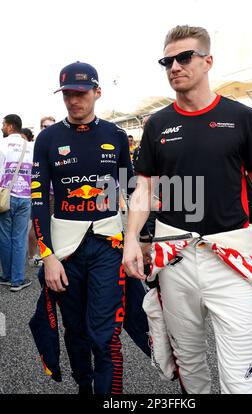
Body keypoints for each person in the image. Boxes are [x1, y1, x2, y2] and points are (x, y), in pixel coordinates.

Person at [123, 25, 252, 394]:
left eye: (184, 57)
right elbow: (144, 189)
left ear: (207, 61)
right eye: (167, 61)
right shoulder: (157, 124)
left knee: (244, 378)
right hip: (176, 260)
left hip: (233, 258)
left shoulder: (240, 116)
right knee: (190, 368)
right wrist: (131, 241)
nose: (174, 67)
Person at [30, 61, 148, 395]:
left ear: (97, 92)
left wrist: (144, 237)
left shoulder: (115, 135)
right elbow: (39, 200)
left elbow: (130, 187)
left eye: (80, 93)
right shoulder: (47, 139)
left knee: (104, 331)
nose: (73, 100)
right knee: (75, 330)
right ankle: (85, 385)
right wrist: (47, 255)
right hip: (64, 250)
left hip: (108, 245)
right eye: (67, 93)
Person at [0, 114, 33, 291]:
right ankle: (17, 279)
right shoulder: (30, 146)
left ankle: (6, 276)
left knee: (5, 236)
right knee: (19, 238)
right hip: (25, 196)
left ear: (11, 126)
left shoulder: (2, 144)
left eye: (3, 124)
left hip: (6, 196)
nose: (2, 127)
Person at [28, 116, 56, 267]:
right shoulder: (34, 146)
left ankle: (49, 252)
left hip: (55, 191)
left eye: (52, 126)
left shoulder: (58, 144)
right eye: (45, 126)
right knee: (36, 224)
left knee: (53, 225)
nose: (48, 129)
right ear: (40, 128)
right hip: (39, 192)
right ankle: (33, 256)